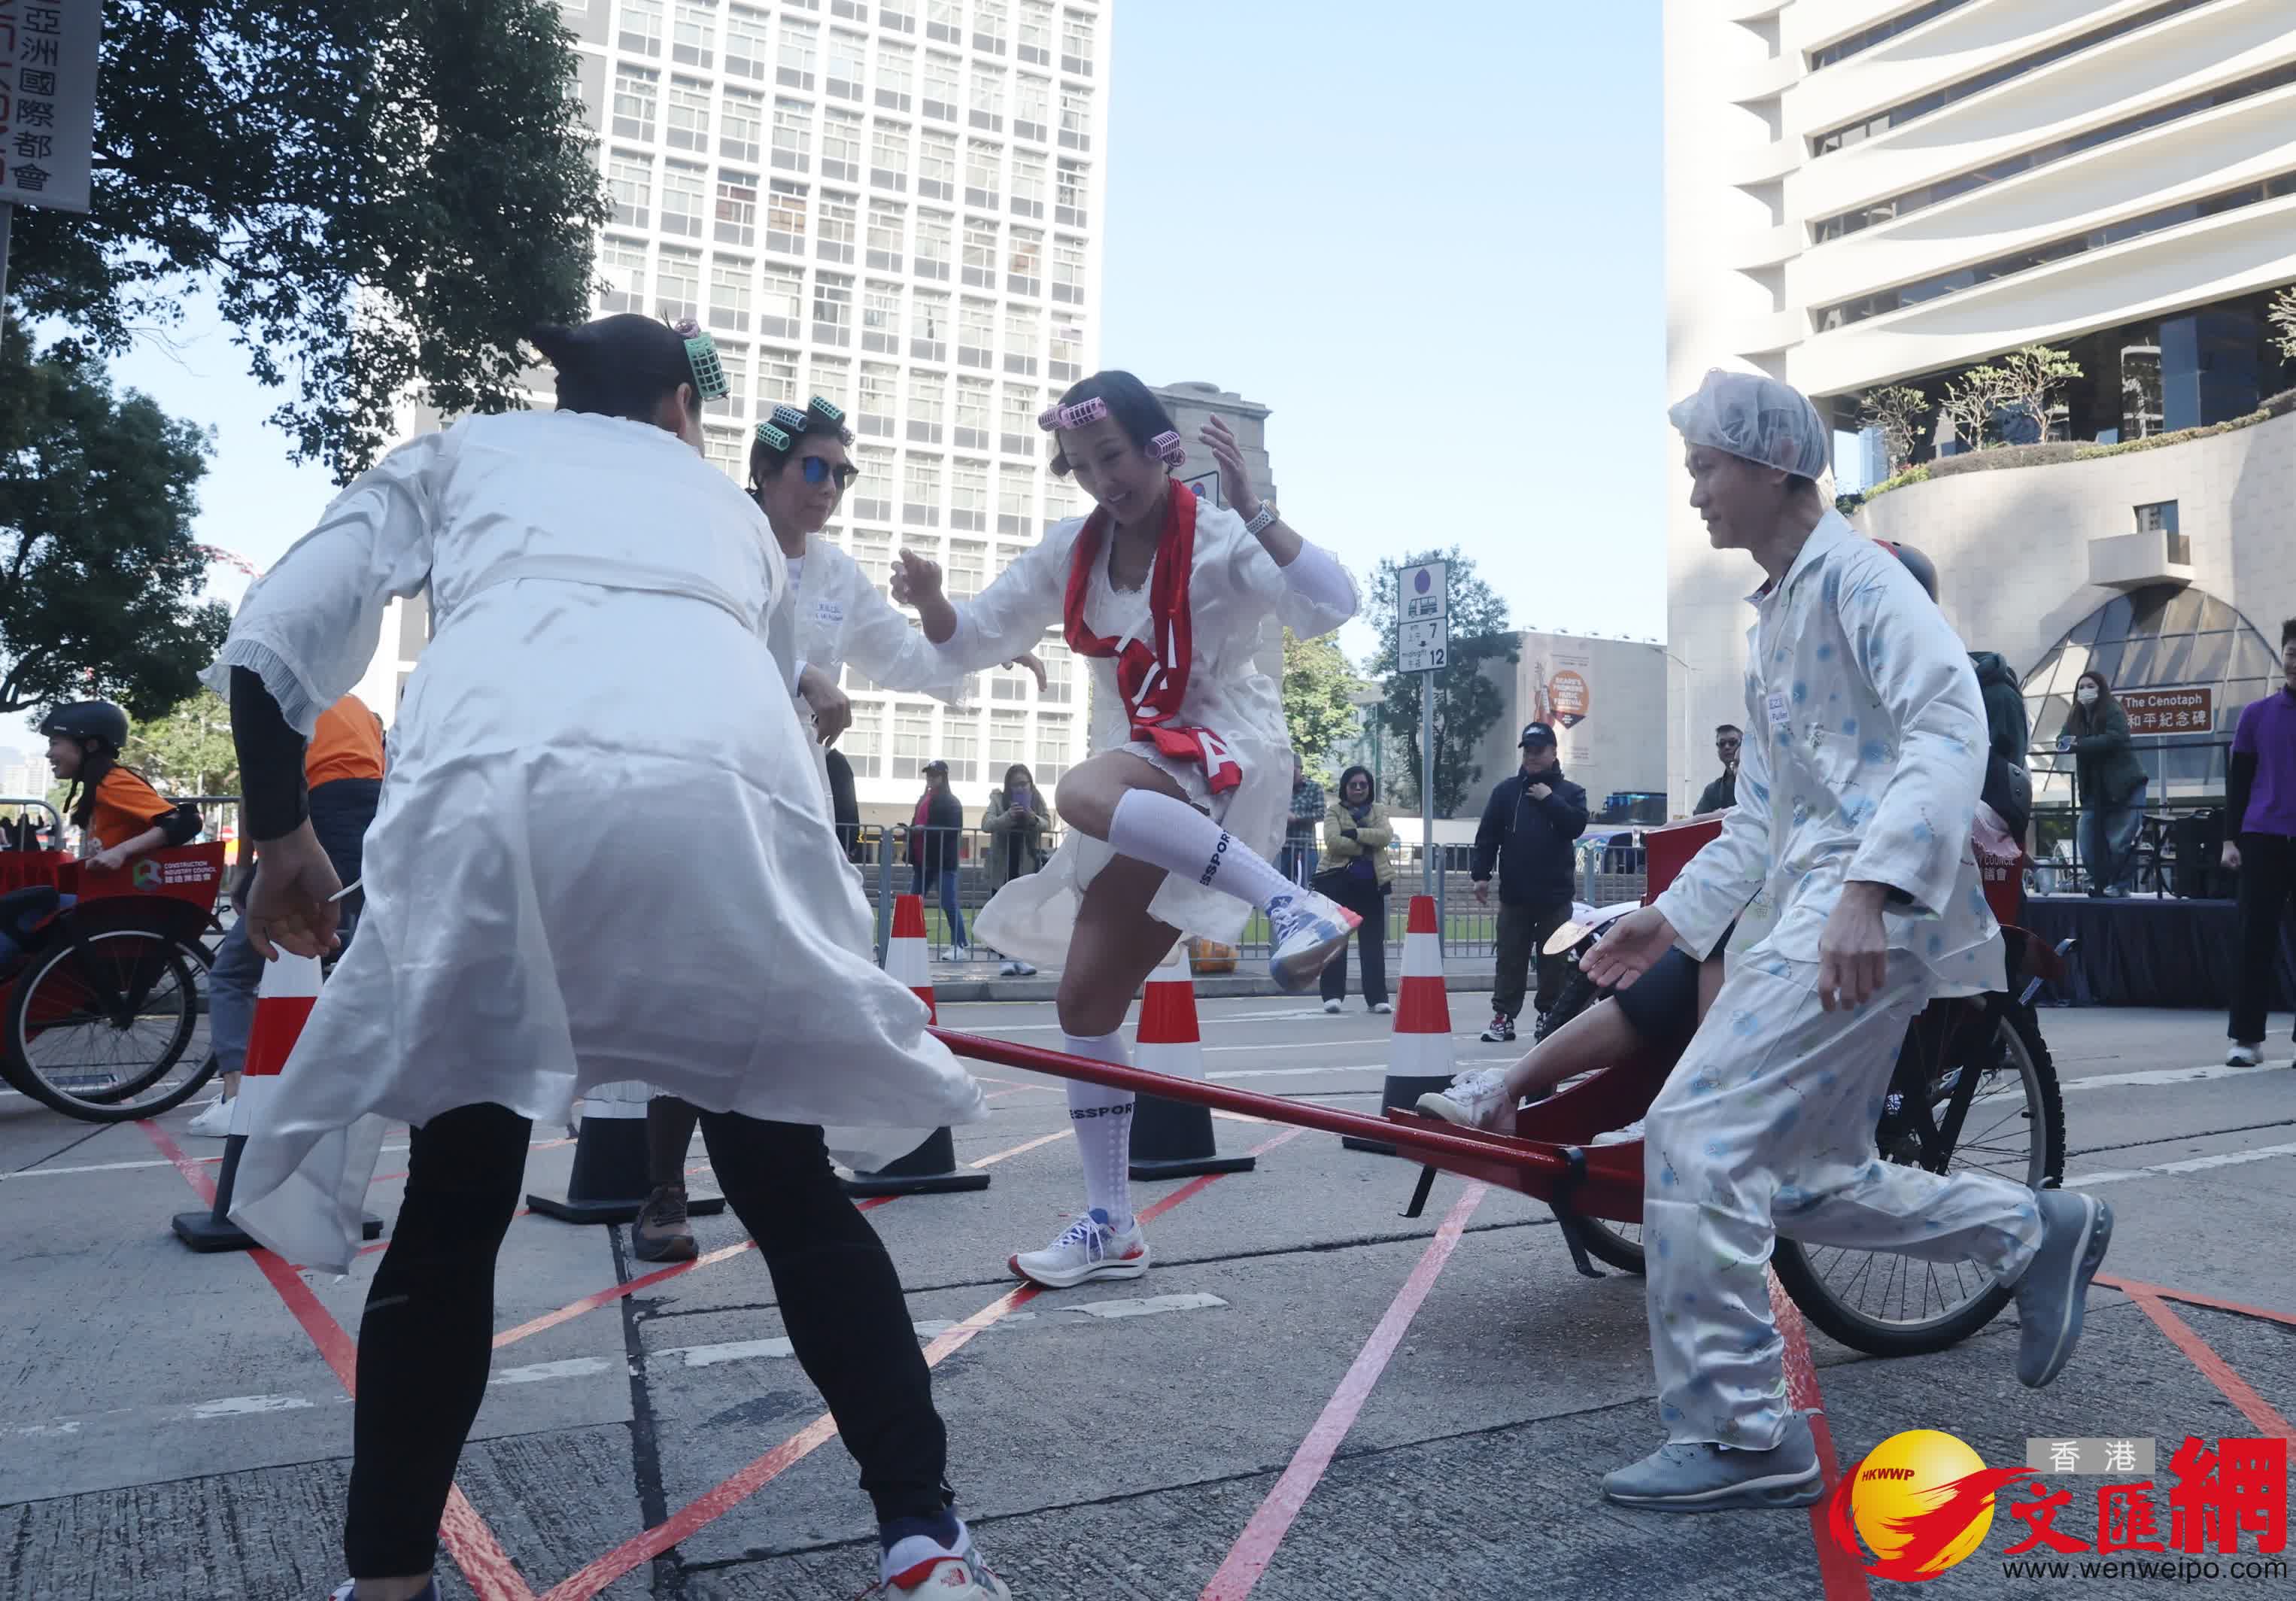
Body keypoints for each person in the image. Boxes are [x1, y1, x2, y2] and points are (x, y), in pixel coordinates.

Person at [208, 313, 1007, 1601]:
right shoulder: (729, 512)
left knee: (456, 1199)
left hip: (488, 791)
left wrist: (283, 828)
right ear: (682, 416)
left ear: (559, 396)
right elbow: (778, 696)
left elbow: (276, 626)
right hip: (722, 796)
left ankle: (390, 1577)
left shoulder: (463, 450)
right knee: (787, 1187)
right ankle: (922, 1537)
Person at [1575, 368, 2108, 1513]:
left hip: (1860, 913)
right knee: (1806, 1179)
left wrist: (1872, 890)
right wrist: (1671, 919)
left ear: (1772, 467)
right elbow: (1764, 818)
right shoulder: (1776, 618)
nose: (1697, 495)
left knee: (1695, 1134)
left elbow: (1949, 718)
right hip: (1823, 904)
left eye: (1706, 469)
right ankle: (2032, 1226)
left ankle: (1741, 1434)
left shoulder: (1862, 579)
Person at [887, 369, 1359, 1289]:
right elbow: (970, 636)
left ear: (1159, 447)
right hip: (1141, 770)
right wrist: (933, 596)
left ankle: (1292, 903)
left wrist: (1260, 510)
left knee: (1079, 789)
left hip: (1227, 747)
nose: (1103, 477)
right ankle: (1114, 1221)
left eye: (1114, 455)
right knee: (1085, 998)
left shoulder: (1222, 536)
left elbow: (1331, 605)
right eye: (1081, 464)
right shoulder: (1073, 550)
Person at [633, 396, 1009, 1262]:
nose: (830, 486)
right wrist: (802, 672)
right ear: (763, 472)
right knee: (697, 981)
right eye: (813, 467)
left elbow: (917, 661)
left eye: (842, 473)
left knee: (805, 969)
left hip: (799, 797)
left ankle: (794, 1163)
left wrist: (962, 625)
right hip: (711, 790)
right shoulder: (720, 543)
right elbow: (701, 635)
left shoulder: (836, 574)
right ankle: (661, 1189)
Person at [187, 693, 386, 1138]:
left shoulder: (274, 692)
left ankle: (238, 1095)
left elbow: (260, 793)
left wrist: (244, 871)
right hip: (369, 809)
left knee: (235, 970)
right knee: (340, 947)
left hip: (316, 808)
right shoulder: (356, 707)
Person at [1469, 722, 1590, 1044]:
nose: (1533, 757)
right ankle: (1503, 1017)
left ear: (1553, 752)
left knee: (1554, 960)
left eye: (1539, 751)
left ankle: (1548, 1014)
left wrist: (1549, 798)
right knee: (1510, 957)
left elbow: (1575, 826)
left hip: (1555, 895)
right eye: (1529, 751)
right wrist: (1481, 875)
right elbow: (1487, 836)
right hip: (1515, 894)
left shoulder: (1571, 793)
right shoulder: (1506, 792)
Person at [2224, 619, 2296, 1068]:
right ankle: (2246, 1039)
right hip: (2263, 837)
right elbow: (2238, 782)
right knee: (2255, 940)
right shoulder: (2256, 715)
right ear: (2282, 655)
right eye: (2291, 651)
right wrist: (2230, 839)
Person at [40, 701, 199, 871]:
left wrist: (120, 852)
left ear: (90, 745)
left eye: (54, 743)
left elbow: (185, 822)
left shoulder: (112, 782)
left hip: (134, 892)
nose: (48, 754)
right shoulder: (99, 784)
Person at [2061, 669, 2147, 899]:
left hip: (2125, 786)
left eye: (2091, 686)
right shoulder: (2075, 716)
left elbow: (2116, 737)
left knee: (2121, 843)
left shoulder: (2112, 709)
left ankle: (2120, 886)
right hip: (2094, 791)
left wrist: (2080, 744)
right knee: (2087, 840)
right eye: (2081, 687)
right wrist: (2071, 742)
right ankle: (2100, 882)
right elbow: (2063, 740)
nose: (2085, 691)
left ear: (2101, 689)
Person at [1317, 764, 1394, 1014]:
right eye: (1353, 785)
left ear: (1369, 787)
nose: (1359, 789)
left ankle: (1377, 998)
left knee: (1372, 943)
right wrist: (1365, 845)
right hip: (1338, 884)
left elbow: (1385, 836)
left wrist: (1355, 833)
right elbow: (1333, 842)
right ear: (1345, 788)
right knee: (1336, 941)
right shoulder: (1334, 811)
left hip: (1372, 885)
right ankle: (1332, 996)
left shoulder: (1379, 810)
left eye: (1363, 785)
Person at [982, 763, 1052, 977]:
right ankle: (1005, 959)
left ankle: (1022, 959)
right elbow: (987, 824)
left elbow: (1047, 823)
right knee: (1003, 912)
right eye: (1015, 786)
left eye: (1023, 784)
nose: (1020, 789)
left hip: (1026, 863)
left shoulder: (1037, 799)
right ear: (1008, 786)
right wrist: (1008, 816)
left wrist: (1033, 818)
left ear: (1030, 783)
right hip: (1002, 865)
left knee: (1024, 913)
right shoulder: (998, 799)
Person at [908, 758, 970, 958]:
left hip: (942, 861)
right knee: (912, 902)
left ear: (943, 777)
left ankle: (959, 945)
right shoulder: (923, 799)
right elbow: (917, 822)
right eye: (928, 774)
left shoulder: (951, 802)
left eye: (934, 775)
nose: (930, 778)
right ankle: (906, 942)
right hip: (922, 860)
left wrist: (924, 830)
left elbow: (953, 831)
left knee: (948, 902)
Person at [1280, 753, 1326, 886]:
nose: (1290, 774)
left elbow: (1321, 813)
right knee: (1283, 886)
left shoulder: (1314, 787)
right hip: (1284, 847)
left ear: (1300, 769)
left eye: (1293, 771)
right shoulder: (1282, 789)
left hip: (1306, 846)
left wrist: (1296, 818)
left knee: (1307, 886)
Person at [1693, 725, 1740, 815]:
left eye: (1732, 742)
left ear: (1743, 745)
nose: (1727, 747)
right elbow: (1697, 821)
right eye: (1722, 744)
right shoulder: (1712, 790)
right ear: (1718, 749)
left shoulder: (1756, 780)